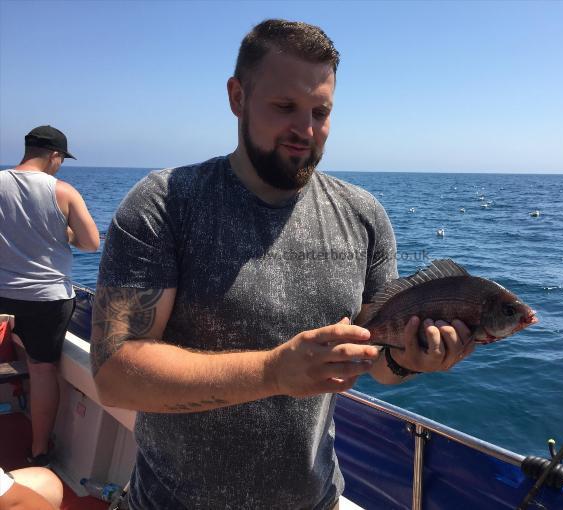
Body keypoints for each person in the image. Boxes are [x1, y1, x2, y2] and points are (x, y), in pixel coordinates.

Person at [90, 19, 475, 510]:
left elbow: (378, 361)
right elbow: (114, 373)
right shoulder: (165, 204)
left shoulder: (363, 216)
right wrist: (272, 371)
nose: (306, 129)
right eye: (285, 107)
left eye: (321, 111)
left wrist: (408, 359)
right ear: (237, 97)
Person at [0, 126, 100, 466]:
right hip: (48, 299)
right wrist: (66, 232)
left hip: (2, 295)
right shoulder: (63, 192)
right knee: (43, 371)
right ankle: (39, 451)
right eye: (60, 160)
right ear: (54, 155)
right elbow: (91, 244)